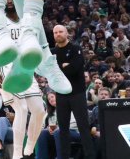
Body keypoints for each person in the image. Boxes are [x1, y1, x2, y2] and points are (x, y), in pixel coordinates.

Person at [49, 24, 97, 159]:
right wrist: (63, 66)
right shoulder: (52, 52)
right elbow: (50, 71)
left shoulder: (76, 49)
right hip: (61, 94)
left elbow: (74, 69)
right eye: (55, 32)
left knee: (83, 127)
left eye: (60, 32)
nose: (58, 34)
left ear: (66, 34)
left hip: (77, 93)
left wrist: (59, 69)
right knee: (63, 129)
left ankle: (90, 156)